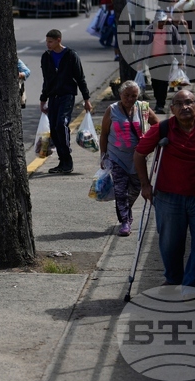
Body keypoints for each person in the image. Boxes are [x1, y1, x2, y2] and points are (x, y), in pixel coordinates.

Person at [134, 89, 195, 289]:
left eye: (189, 102)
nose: (184, 107)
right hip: (168, 197)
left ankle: (192, 287)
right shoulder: (161, 129)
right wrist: (145, 185)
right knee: (170, 243)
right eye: (178, 104)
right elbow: (138, 154)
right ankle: (174, 278)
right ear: (172, 109)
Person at [99, 80, 159, 236]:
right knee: (120, 191)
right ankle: (125, 222)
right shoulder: (111, 110)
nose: (130, 99)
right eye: (127, 95)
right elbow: (104, 134)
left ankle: (126, 209)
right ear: (120, 94)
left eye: (134, 96)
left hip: (138, 158)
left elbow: (157, 125)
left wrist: (152, 141)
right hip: (116, 156)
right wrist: (103, 156)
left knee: (135, 189)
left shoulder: (143, 108)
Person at [39, 29, 93, 174]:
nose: (48, 44)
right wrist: (43, 99)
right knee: (54, 128)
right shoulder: (46, 57)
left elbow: (80, 78)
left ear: (58, 40)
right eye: (47, 41)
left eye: (50, 41)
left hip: (67, 95)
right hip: (53, 96)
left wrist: (87, 99)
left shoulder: (71, 55)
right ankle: (62, 161)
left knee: (61, 124)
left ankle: (67, 159)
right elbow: (46, 80)